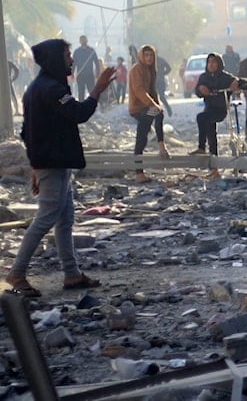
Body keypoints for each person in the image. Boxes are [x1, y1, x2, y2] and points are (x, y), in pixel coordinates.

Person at [5, 38, 115, 297]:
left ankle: (72, 274)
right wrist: (97, 89)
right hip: (52, 164)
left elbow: (27, 132)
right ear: (56, 58)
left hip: (54, 163)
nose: (71, 59)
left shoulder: (39, 87)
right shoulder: (51, 89)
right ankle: (17, 272)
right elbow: (79, 113)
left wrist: (35, 166)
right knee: (45, 219)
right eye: (67, 55)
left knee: (65, 220)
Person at [189, 53, 242, 176]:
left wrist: (236, 82)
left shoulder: (225, 77)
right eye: (209, 62)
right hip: (209, 109)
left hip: (220, 109)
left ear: (219, 64)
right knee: (210, 131)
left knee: (202, 118)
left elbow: (245, 83)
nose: (211, 65)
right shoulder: (203, 77)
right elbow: (197, 91)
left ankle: (203, 149)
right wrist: (200, 89)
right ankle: (213, 167)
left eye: (214, 62)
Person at [128, 45, 170, 184]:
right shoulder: (136, 69)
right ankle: (161, 148)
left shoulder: (151, 70)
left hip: (147, 107)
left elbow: (153, 91)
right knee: (151, 124)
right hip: (138, 108)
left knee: (142, 137)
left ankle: (140, 173)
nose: (149, 58)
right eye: (146, 55)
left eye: (151, 55)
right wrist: (154, 105)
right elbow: (139, 91)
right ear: (141, 56)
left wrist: (157, 104)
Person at [72, 35, 100, 100]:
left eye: (84, 39)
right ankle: (81, 106)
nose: (82, 41)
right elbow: (73, 64)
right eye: (81, 40)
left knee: (92, 92)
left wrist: (97, 72)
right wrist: (72, 73)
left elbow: (96, 62)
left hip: (89, 75)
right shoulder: (77, 51)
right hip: (80, 75)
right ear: (79, 41)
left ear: (86, 41)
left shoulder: (91, 50)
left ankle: (92, 105)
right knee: (81, 93)